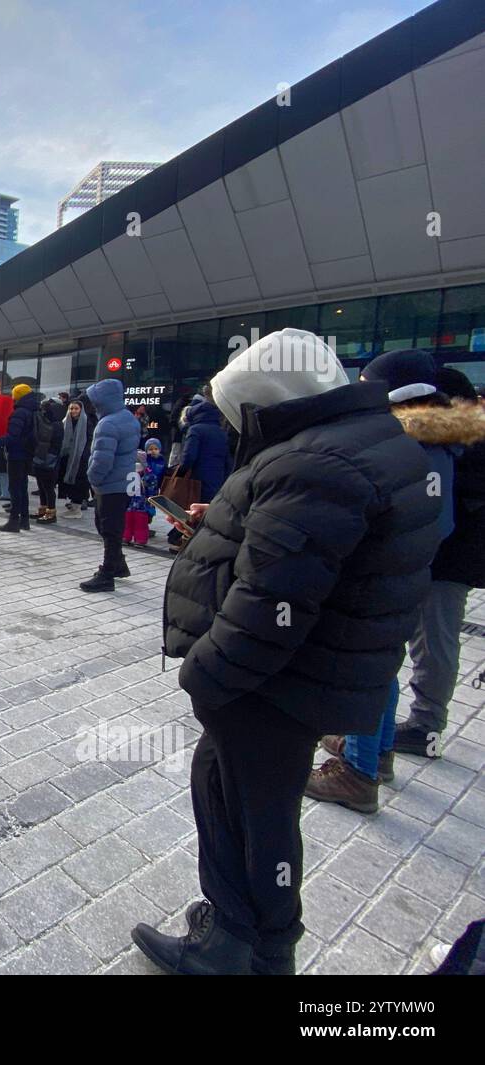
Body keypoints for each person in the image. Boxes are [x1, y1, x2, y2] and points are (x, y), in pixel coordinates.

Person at [131, 330, 441, 977]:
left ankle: (248, 947)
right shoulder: (363, 443)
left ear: (270, 404)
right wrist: (236, 515)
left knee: (253, 812)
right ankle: (245, 931)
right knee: (236, 797)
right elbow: (305, 547)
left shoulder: (318, 465)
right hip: (308, 677)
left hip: (272, 687)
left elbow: (272, 605)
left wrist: (204, 674)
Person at [306, 351, 485, 813]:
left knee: (371, 663)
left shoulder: (409, 435)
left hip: (389, 568)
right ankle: (376, 754)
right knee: (382, 661)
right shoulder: (435, 432)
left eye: (368, 381)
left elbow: (397, 508)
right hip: (409, 565)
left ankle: (359, 772)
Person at [392, 366, 485, 760]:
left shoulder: (462, 441)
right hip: (447, 554)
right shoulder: (462, 437)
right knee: (428, 639)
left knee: (434, 640)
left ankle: (426, 725)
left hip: (448, 558)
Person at [79, 379, 139, 591]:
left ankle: (107, 574)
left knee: (108, 527)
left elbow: (102, 459)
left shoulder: (108, 423)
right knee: (112, 526)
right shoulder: (128, 418)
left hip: (110, 484)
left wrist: (93, 479)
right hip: (125, 482)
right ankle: (118, 565)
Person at [0, 383, 39, 532]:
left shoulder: (20, 412)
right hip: (27, 453)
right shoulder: (34, 409)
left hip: (17, 454)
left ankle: (14, 521)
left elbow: (12, 437)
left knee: (15, 488)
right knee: (22, 487)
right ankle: (24, 520)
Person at [123, 438, 166, 545]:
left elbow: (152, 488)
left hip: (142, 503)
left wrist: (150, 500)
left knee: (140, 521)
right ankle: (126, 537)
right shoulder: (130, 473)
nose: (153, 451)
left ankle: (139, 539)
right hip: (131, 503)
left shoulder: (150, 473)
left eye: (156, 449)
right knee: (128, 520)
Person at [32, 397, 65, 524]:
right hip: (41, 457)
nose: (43, 412)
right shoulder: (46, 422)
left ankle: (51, 512)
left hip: (50, 459)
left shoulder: (56, 425)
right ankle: (43, 508)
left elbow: (54, 443)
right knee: (41, 485)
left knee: (48, 487)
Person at [58, 399, 92, 515]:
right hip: (67, 456)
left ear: (81, 410)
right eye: (71, 408)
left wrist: (84, 454)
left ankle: (77, 507)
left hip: (80, 457)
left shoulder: (86, 422)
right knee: (68, 480)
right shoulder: (65, 421)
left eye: (76, 408)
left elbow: (89, 440)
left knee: (79, 481)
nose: (73, 411)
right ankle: (73, 504)